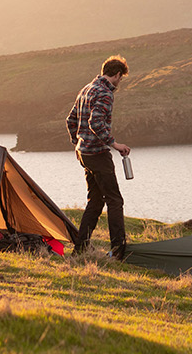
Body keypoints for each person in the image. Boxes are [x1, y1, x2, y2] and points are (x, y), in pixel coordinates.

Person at [66, 55, 132, 258]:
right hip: (97, 153)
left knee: (95, 201)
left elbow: (70, 120)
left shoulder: (86, 89)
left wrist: (77, 145)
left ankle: (80, 248)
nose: (120, 82)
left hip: (85, 153)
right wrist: (115, 144)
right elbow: (96, 123)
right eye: (121, 78)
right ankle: (118, 250)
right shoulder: (105, 93)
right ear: (117, 74)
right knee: (114, 200)